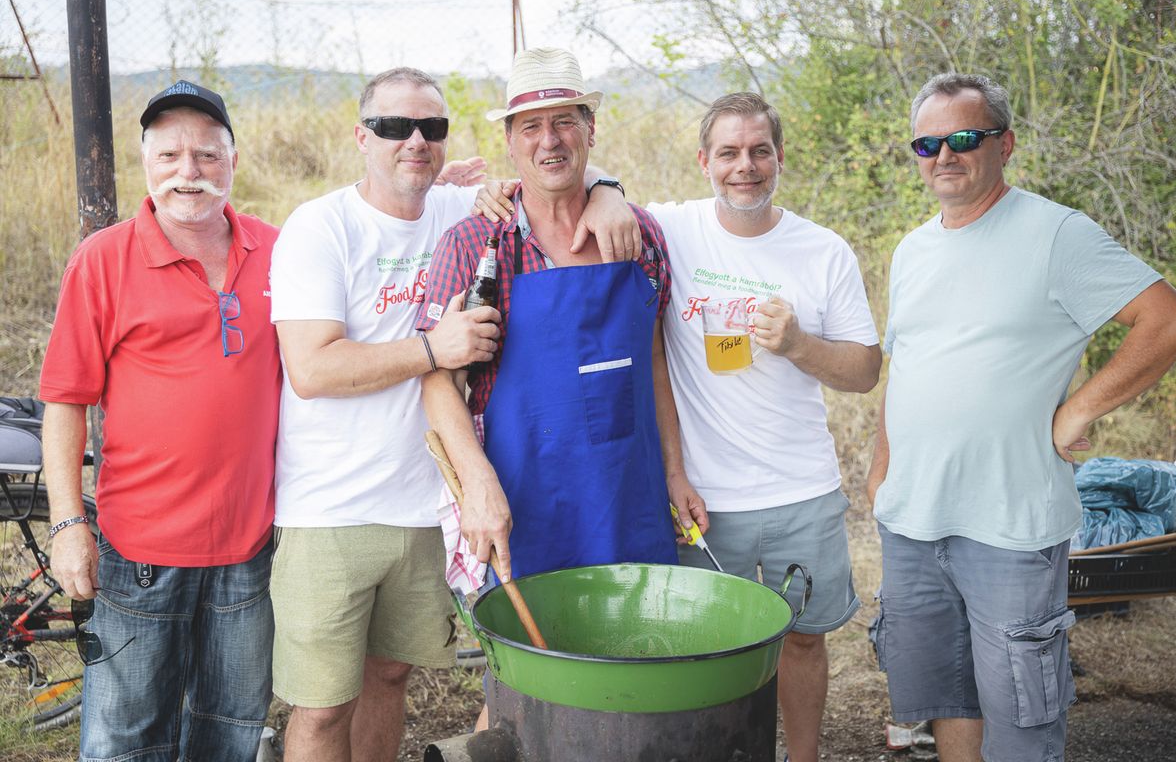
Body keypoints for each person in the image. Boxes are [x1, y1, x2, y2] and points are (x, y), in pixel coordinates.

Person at [475, 90, 882, 762]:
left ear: (780, 158)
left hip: (799, 485)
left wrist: (800, 345)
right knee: (695, 651)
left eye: (759, 152)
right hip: (701, 498)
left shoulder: (824, 250)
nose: (744, 166)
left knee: (805, 639)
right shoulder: (672, 229)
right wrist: (599, 190)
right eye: (728, 152)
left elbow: (865, 371)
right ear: (703, 161)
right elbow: (579, 186)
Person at [268, 65, 638, 762]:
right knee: (320, 709)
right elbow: (312, 370)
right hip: (331, 507)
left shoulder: (463, 211)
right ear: (360, 136)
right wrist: (431, 347)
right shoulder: (321, 226)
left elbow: (553, 166)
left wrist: (609, 193)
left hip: (425, 502)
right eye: (393, 127)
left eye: (431, 128)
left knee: (390, 679)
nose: (415, 141)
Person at [866, 72, 1176, 762]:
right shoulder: (911, 250)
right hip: (913, 521)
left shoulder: (1056, 234)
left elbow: (1168, 321)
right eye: (926, 144)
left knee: (1022, 719)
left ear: (1005, 144)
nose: (944, 156)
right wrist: (880, 475)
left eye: (963, 138)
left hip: (1010, 526)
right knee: (946, 700)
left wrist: (1079, 408)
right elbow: (907, 371)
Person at [41, 80, 277, 761]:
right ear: (145, 159)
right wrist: (67, 525)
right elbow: (65, 400)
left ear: (233, 159)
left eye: (207, 155)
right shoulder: (104, 259)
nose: (189, 172)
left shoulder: (277, 251)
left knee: (229, 728)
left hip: (248, 550)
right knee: (125, 735)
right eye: (170, 154)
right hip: (139, 550)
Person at [418, 46, 680, 588]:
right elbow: (440, 383)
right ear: (510, 142)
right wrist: (477, 484)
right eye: (531, 126)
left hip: (630, 494)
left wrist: (675, 475)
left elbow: (655, 361)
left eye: (564, 121)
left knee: (643, 656)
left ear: (591, 131)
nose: (550, 140)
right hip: (522, 503)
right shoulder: (472, 245)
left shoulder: (640, 234)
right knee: (531, 669)